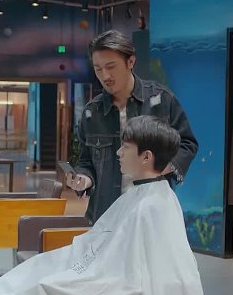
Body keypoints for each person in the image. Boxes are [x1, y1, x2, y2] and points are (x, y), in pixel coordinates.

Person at [0, 116, 209, 295]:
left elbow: (131, 277)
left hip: (109, 284)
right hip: (97, 270)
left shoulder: (151, 206)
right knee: (9, 286)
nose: (118, 153)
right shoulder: (145, 196)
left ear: (146, 157)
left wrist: (76, 276)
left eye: (125, 147)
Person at [69, 29, 198, 223]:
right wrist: (84, 179)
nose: (105, 75)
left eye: (111, 66)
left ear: (130, 62)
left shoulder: (161, 100)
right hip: (106, 216)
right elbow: (86, 161)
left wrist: (163, 166)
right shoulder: (91, 113)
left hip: (150, 215)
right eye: (98, 69)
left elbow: (187, 143)